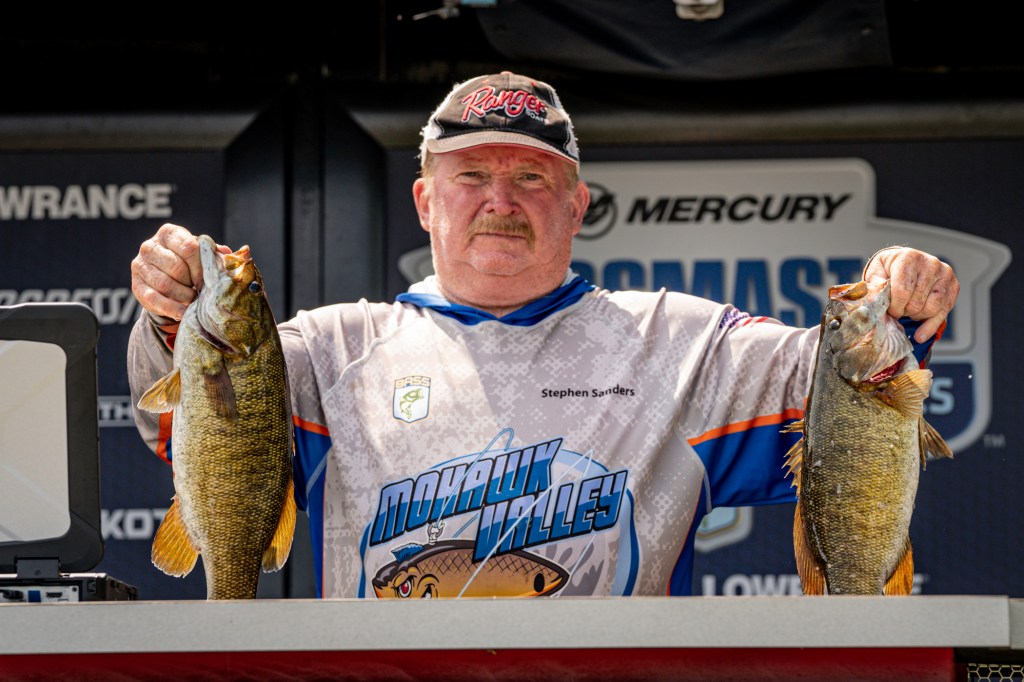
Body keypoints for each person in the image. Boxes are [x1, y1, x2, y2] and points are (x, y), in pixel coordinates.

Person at [128, 71, 960, 599]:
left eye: (531, 176)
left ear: (576, 204)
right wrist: (170, 316)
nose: (501, 200)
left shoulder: (685, 342)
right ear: (425, 202)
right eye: (471, 175)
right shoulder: (331, 349)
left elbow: (853, 386)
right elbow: (186, 424)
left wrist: (903, 293)